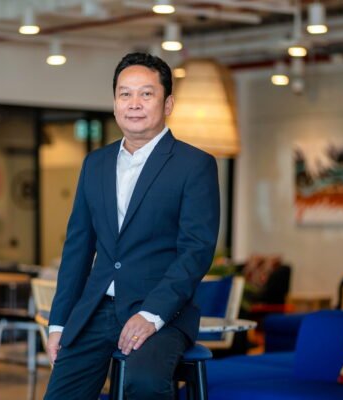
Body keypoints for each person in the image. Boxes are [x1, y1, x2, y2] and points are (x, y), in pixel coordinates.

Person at [43, 52, 220, 400]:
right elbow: (78, 248)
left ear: (168, 104)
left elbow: (196, 251)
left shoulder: (194, 165)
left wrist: (152, 314)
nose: (134, 103)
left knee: (144, 383)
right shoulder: (95, 163)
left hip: (162, 311)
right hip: (96, 309)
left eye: (146, 94)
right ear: (114, 104)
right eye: (125, 94)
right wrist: (59, 322)